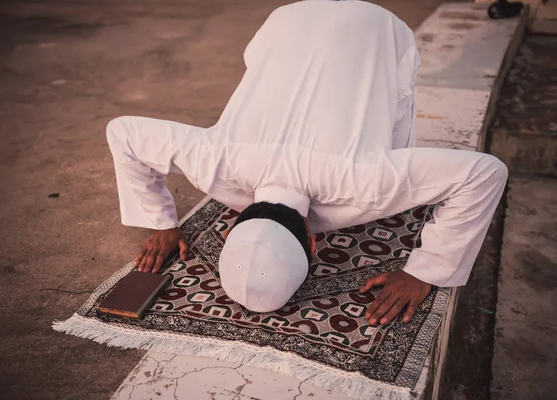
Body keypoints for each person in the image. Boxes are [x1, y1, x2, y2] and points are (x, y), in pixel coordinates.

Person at [106, 0, 507, 326]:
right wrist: (163, 222)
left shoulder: (367, 182)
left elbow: (486, 174)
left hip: (378, 29)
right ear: (229, 229)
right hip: (284, 20)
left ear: (313, 243)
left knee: (393, 108)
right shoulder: (212, 160)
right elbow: (123, 130)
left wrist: (425, 271)